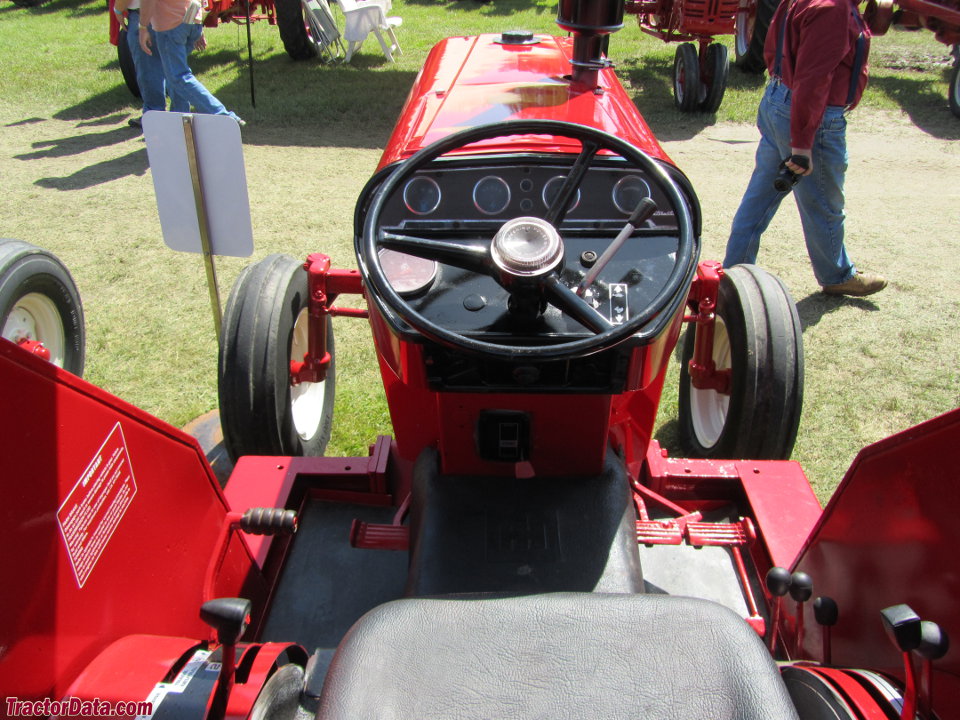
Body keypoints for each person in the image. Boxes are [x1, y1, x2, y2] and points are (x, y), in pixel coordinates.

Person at [724, 0, 886, 297]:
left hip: (779, 97)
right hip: (813, 116)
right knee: (824, 203)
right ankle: (836, 275)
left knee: (759, 198)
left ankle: (735, 272)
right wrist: (801, 145)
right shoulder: (833, 10)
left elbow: (773, 45)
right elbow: (813, 78)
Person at [138, 0, 244, 125]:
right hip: (191, 18)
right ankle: (180, 122)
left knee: (178, 77)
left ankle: (223, 116)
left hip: (171, 25)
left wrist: (143, 27)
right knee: (175, 76)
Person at [113, 0, 170, 129]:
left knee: (148, 67)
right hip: (172, 11)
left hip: (145, 15)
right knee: (173, 66)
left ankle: (154, 115)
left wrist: (117, 9)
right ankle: (179, 113)